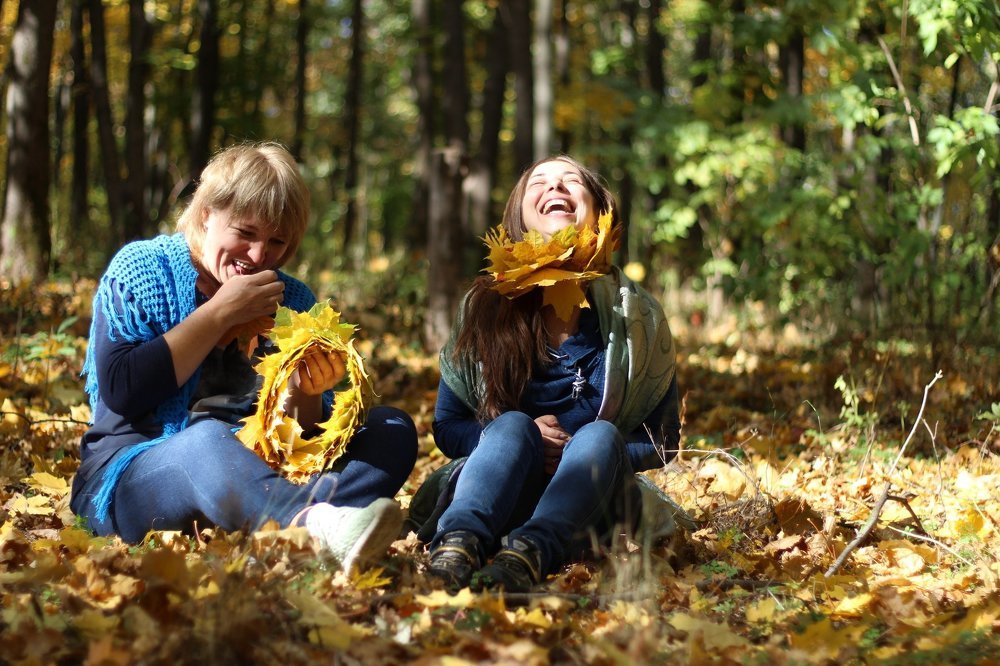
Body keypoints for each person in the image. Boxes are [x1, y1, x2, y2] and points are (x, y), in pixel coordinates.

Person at [70, 142, 417, 573]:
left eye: (276, 241)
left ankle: (292, 521)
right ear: (205, 215)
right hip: (137, 476)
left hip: (259, 477)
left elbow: (309, 440)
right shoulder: (144, 268)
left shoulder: (293, 298)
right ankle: (312, 527)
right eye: (245, 233)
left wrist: (305, 394)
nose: (257, 257)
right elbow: (123, 393)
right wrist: (218, 314)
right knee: (207, 441)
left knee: (392, 427)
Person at [426, 155, 681, 592]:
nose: (555, 188)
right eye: (538, 183)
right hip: (498, 494)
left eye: (571, 181)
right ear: (519, 217)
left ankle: (528, 555)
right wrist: (516, 435)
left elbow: (663, 441)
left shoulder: (637, 315)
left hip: (591, 504)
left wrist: (578, 452)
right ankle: (457, 544)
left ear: (599, 210)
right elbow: (448, 428)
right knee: (510, 426)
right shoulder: (483, 307)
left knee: (599, 437)